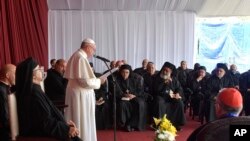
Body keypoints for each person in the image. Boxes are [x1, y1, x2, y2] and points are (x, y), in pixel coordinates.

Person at [15, 57, 81, 141]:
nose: (41, 71)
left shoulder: (35, 90)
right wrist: (66, 129)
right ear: (33, 76)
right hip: (40, 134)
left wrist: (65, 124)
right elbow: (45, 122)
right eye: (38, 69)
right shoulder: (33, 95)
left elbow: (46, 116)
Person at [64, 38, 106, 140]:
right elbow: (84, 82)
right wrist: (99, 81)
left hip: (77, 93)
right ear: (87, 47)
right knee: (81, 120)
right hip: (80, 95)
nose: (93, 52)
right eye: (93, 49)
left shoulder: (78, 55)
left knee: (80, 119)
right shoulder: (81, 58)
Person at [153, 62, 186, 131]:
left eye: (167, 71)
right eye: (164, 70)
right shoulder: (157, 77)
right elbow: (155, 90)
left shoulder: (174, 79)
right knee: (159, 102)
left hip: (171, 97)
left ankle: (176, 124)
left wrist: (177, 93)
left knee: (179, 102)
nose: (164, 72)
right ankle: (160, 124)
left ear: (171, 72)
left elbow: (179, 88)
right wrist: (164, 83)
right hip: (161, 97)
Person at [115, 64, 147, 132]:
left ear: (130, 73)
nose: (125, 74)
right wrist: (124, 95)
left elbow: (140, 90)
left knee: (140, 103)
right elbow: (116, 91)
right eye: (123, 72)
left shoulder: (136, 79)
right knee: (122, 104)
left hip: (135, 97)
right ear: (120, 72)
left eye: (127, 72)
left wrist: (134, 95)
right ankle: (124, 124)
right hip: (123, 98)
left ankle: (135, 125)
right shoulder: (117, 79)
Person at [0, 64, 16, 141]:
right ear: (7, 75)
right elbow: (5, 118)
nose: (17, 76)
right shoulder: (1, 90)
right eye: (15, 73)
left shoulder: (5, 87)